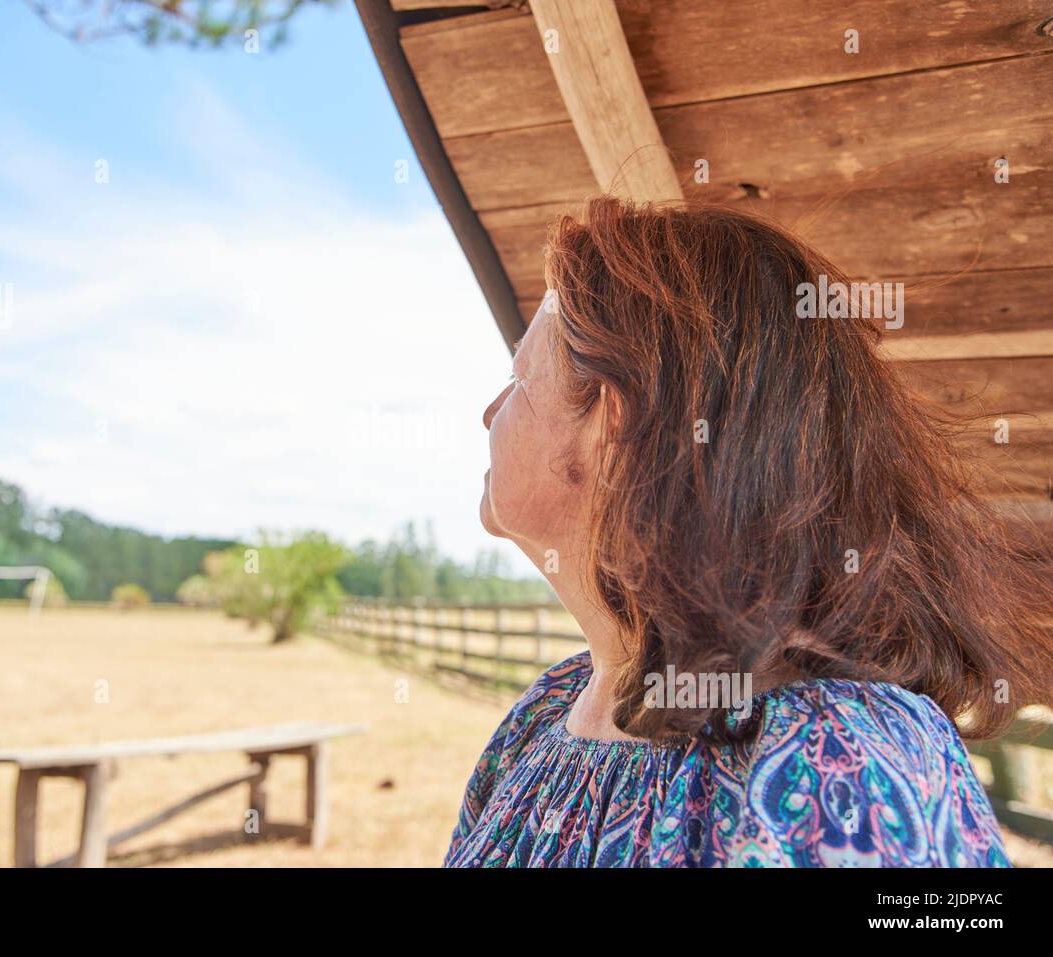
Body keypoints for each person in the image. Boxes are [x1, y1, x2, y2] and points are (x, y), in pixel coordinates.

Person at [445, 198, 1053, 867]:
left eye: (518, 380)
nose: (489, 412)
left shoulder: (837, 772)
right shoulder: (547, 710)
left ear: (610, 422)